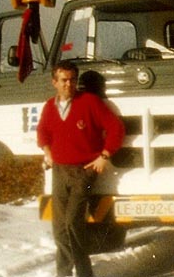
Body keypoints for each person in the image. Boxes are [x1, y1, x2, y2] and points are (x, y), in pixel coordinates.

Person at [37, 61, 125, 277]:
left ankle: (84, 273)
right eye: (64, 80)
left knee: (72, 223)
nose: (69, 84)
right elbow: (43, 132)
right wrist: (48, 152)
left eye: (72, 80)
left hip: (83, 171)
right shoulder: (50, 106)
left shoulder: (90, 102)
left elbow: (116, 128)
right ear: (54, 82)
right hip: (59, 170)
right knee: (59, 227)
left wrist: (104, 156)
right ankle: (64, 274)